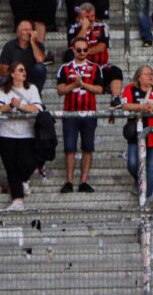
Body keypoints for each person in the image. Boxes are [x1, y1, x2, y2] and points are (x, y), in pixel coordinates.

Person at [0, 62, 43, 210]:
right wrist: (11, 106)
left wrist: (21, 106)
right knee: (11, 168)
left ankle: (24, 180)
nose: (24, 72)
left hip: (27, 134)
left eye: (24, 69)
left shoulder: (32, 88)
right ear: (13, 74)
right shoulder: (4, 90)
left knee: (28, 162)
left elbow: (36, 108)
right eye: (20, 70)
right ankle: (17, 199)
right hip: (6, 134)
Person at [57, 37, 104, 193]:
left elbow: (100, 89)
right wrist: (74, 85)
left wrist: (83, 84)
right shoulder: (64, 68)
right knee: (69, 148)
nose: (82, 53)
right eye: (79, 50)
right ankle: (69, 181)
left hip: (89, 112)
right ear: (73, 50)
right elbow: (60, 90)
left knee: (87, 147)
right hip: (70, 113)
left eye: (85, 50)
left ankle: (84, 181)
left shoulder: (95, 67)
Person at [122, 65, 153, 199]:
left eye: (152, 73)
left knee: (150, 168)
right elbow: (125, 105)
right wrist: (141, 107)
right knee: (132, 163)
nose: (151, 76)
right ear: (139, 77)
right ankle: (140, 182)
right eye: (147, 73)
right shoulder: (130, 89)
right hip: (136, 135)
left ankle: (147, 199)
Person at [0, 20, 49, 91]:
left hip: (31, 77)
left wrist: (33, 42)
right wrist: (17, 75)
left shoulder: (37, 45)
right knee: (3, 79)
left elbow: (40, 60)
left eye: (30, 30)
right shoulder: (9, 46)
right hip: (15, 77)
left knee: (40, 68)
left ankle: (36, 97)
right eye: (25, 30)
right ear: (18, 33)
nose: (28, 32)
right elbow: (2, 70)